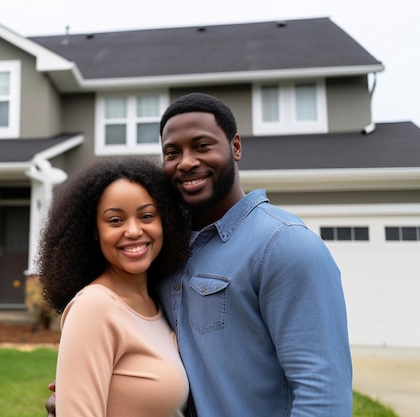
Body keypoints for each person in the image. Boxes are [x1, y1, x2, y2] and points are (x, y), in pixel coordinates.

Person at [46, 92, 353, 416]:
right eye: (172, 152)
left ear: (235, 147)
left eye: (202, 145)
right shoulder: (166, 254)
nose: (187, 161)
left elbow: (322, 393)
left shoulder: (285, 244)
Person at [38, 157, 192, 417]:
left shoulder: (159, 302)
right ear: (94, 230)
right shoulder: (94, 308)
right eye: (115, 220)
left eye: (146, 216)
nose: (133, 230)